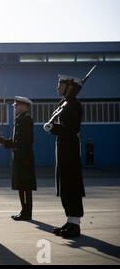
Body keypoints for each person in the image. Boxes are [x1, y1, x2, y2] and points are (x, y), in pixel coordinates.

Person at [44, 75, 85, 238]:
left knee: (71, 185)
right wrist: (55, 127)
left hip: (70, 149)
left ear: (69, 85)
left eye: (60, 84)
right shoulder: (65, 103)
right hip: (63, 148)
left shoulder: (74, 104)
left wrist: (54, 127)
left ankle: (75, 224)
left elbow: (72, 129)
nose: (57, 88)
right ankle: (70, 220)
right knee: (64, 185)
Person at [0, 96, 37, 221]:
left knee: (25, 187)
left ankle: (27, 212)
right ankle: (23, 210)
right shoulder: (19, 120)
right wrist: (5, 142)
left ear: (24, 106)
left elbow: (26, 141)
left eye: (17, 105)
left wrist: (25, 158)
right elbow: (16, 141)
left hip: (24, 158)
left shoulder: (26, 120)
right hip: (19, 157)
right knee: (20, 185)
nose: (15, 107)